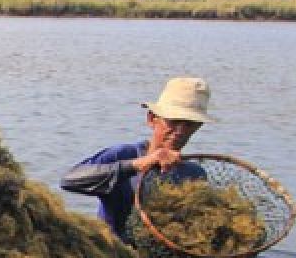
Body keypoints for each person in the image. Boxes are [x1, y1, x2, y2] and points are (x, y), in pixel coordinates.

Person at [60, 77, 212, 238]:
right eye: (174, 122)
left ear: (198, 127)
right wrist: (138, 165)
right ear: (152, 119)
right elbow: (69, 181)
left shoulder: (194, 174)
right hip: (115, 253)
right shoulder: (124, 154)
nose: (180, 131)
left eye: (189, 124)